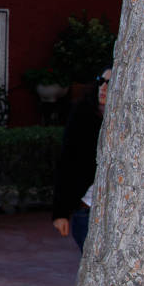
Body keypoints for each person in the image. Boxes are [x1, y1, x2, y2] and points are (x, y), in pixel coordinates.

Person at [52, 66, 112, 251]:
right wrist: (60, 213)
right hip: (86, 211)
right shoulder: (83, 115)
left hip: (115, 215)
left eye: (110, 83)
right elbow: (66, 162)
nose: (103, 87)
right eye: (101, 81)